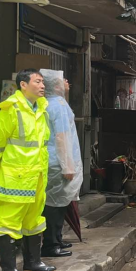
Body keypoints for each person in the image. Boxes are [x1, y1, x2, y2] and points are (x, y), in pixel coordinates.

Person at [0, 69, 56, 271]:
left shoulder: (41, 109)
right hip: (14, 178)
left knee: (34, 220)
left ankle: (32, 262)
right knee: (8, 222)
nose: (42, 86)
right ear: (23, 84)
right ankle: (8, 270)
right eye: (37, 81)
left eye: (43, 82)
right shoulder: (9, 109)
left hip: (37, 176)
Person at [41, 70, 83, 258]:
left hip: (54, 160)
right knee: (55, 205)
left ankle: (56, 239)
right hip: (58, 162)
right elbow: (61, 137)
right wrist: (67, 166)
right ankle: (51, 244)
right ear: (57, 85)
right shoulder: (58, 105)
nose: (67, 81)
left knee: (58, 203)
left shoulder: (51, 103)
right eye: (62, 79)